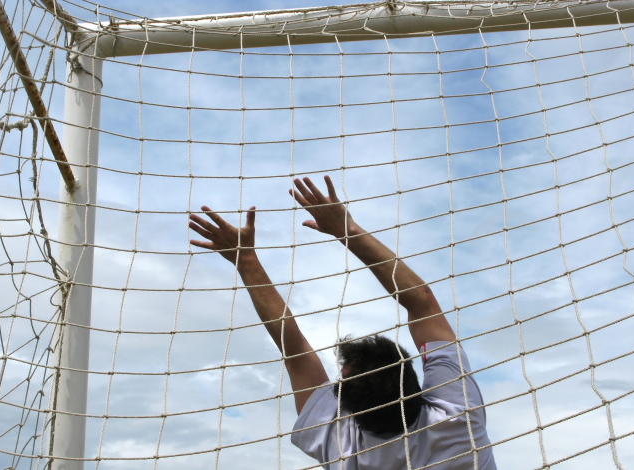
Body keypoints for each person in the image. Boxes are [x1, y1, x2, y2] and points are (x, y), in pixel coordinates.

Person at [189, 175, 496, 470]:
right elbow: (422, 300)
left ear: (349, 411)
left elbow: (295, 350)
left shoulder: (343, 449)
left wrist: (246, 260)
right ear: (413, 384)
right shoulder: (457, 418)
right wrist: (346, 228)